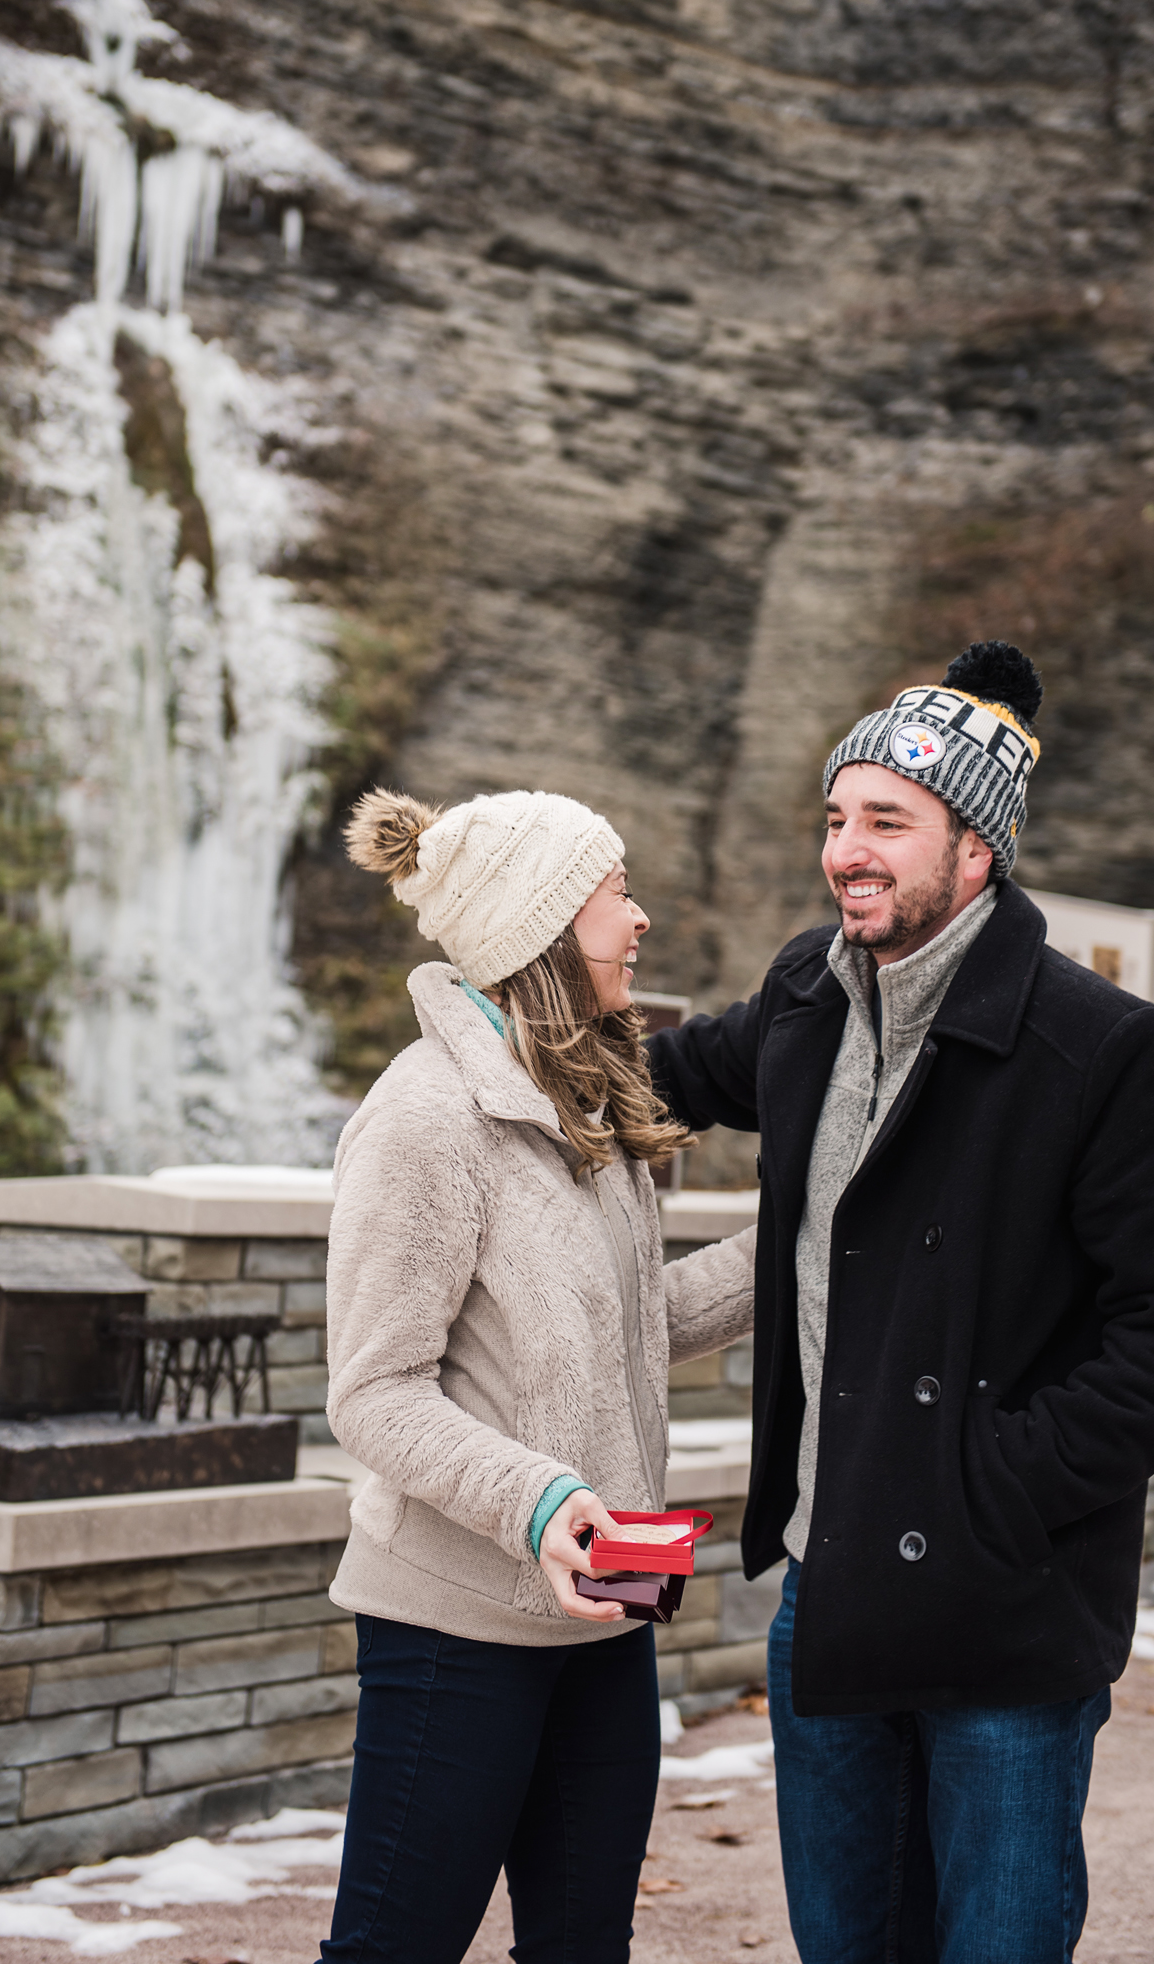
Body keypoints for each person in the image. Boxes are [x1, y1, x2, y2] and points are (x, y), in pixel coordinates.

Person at [646, 641, 1154, 1964]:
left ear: (973, 851)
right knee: (847, 1945)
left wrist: (998, 1483)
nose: (843, 851)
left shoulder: (1095, 1048)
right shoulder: (808, 998)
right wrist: (488, 1049)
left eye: (883, 822)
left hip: (1002, 1601)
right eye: (833, 818)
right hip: (828, 1578)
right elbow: (666, 1075)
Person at [317, 785, 756, 1964]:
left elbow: (628, 1319)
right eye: (616, 894)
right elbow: (372, 1389)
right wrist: (541, 1499)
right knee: (392, 1948)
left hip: (608, 1609)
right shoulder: (426, 1119)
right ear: (545, 925)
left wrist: (799, 1241)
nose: (641, 918)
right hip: (456, 1626)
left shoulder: (585, 1110)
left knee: (582, 1946)